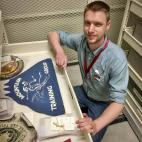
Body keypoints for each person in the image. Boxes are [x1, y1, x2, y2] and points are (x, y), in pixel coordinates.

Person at [47, 1, 129, 142]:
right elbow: (53, 34)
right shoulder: (81, 41)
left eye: (97, 24)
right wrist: (59, 51)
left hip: (102, 103)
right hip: (83, 91)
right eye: (87, 23)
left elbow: (118, 102)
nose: (90, 29)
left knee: (86, 138)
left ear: (107, 25)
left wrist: (96, 124)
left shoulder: (117, 57)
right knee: (52, 101)